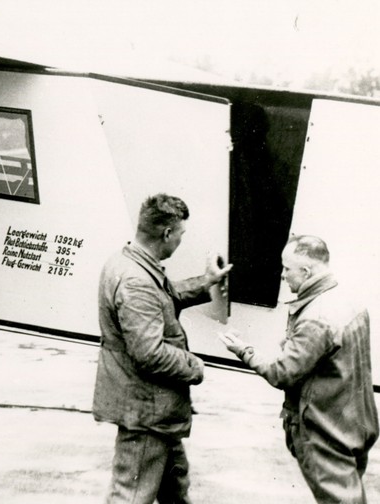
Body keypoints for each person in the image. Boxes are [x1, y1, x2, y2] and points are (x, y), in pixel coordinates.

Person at [92, 193, 232, 504]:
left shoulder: (130, 263)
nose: (181, 240)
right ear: (167, 233)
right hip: (145, 411)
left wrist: (206, 281)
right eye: (181, 234)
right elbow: (149, 353)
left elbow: (162, 299)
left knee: (175, 491)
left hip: (155, 409)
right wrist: (194, 366)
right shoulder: (136, 281)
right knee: (130, 496)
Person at [218, 235, 378, 504]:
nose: (282, 276)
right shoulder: (348, 301)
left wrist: (244, 352)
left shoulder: (316, 317)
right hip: (355, 424)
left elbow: (282, 373)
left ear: (306, 272)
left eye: (286, 268)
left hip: (325, 432)